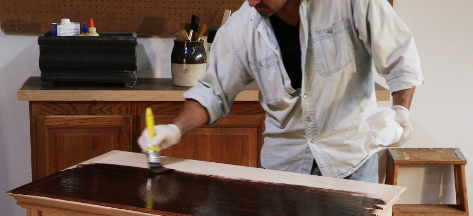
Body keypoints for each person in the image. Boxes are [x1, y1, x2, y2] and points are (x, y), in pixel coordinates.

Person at [138, 0, 424, 183]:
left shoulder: (350, 3)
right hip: (283, 169)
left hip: (350, 162)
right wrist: (175, 129)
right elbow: (213, 91)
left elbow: (401, 58)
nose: (253, 1)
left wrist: (401, 113)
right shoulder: (242, 26)